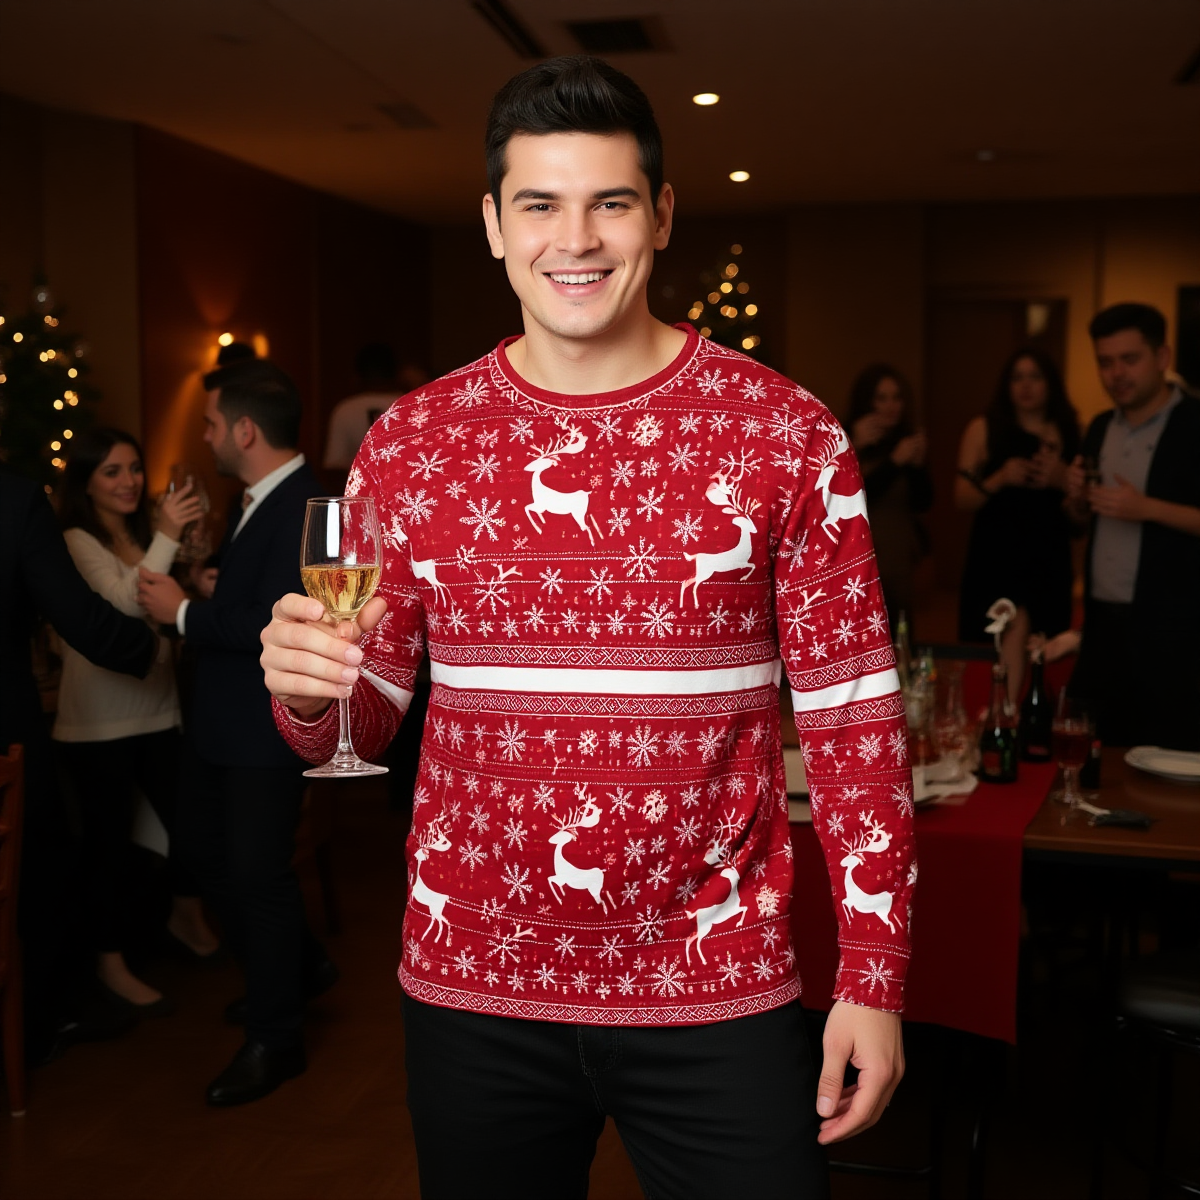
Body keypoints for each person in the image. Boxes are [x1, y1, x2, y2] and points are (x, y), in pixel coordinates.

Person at [261, 56, 911, 1198]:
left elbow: (856, 719)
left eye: (611, 201)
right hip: (475, 989)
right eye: (540, 204)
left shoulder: (788, 435)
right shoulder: (410, 445)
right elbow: (366, 730)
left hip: (718, 986)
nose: (578, 237)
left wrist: (875, 974)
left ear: (660, 214)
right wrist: (312, 696)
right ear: (493, 226)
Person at [137, 359, 336, 1105]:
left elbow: (285, 621)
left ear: (245, 430)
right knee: (201, 850)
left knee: (257, 875)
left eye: (214, 425)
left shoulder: (305, 504)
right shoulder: (259, 499)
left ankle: (276, 1038)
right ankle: (300, 965)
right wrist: (215, 583)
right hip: (222, 721)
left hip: (262, 725)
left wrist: (183, 614)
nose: (209, 437)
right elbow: (260, 593)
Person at [52, 428, 219, 1015]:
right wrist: (169, 537)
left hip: (158, 708)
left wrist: (192, 584)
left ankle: (184, 914)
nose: (128, 482)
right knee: (106, 847)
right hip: (98, 721)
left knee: (190, 824)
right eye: (111, 472)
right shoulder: (74, 540)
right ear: (86, 483)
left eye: (133, 469)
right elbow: (126, 601)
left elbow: (162, 592)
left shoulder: (143, 534)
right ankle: (110, 962)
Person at [0, 464, 160, 1061]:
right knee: (38, 872)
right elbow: (78, 616)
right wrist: (153, 645)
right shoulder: (15, 498)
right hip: (8, 734)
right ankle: (35, 1027)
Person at [1063, 303, 1200, 750]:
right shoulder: (1101, 427)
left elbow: (1139, 509)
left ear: (1162, 357)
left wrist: (1148, 508)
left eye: (1129, 359)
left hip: (1173, 629)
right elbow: (1084, 522)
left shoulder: (1195, 424)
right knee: (1094, 752)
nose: (1116, 373)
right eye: (1105, 362)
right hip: (1103, 622)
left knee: (1166, 755)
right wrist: (1078, 501)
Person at [955, 346, 1080, 701]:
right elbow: (961, 499)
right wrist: (1000, 478)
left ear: (1050, 384)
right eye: (1017, 378)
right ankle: (999, 712)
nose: (1025, 386)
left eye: (1035, 377)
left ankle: (1031, 717)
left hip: (1048, 549)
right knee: (997, 633)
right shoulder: (983, 428)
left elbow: (1082, 511)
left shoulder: (1071, 431)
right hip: (996, 549)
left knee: (1045, 640)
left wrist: (1059, 480)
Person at [847, 364, 932, 632]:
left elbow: (923, 502)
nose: (891, 405)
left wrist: (916, 465)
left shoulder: (906, 441)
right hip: (856, 562)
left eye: (896, 397)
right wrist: (890, 460)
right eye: (881, 398)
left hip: (898, 562)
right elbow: (850, 495)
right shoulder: (847, 438)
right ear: (866, 401)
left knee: (899, 637)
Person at [322, 344, 428, 473]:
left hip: (357, 489)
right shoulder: (412, 406)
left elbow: (334, 468)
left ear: (357, 376)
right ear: (397, 373)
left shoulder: (345, 409)